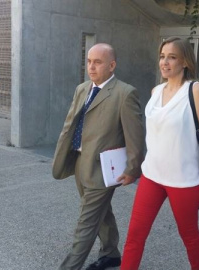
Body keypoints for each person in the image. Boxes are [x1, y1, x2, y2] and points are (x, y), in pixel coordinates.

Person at [121, 37, 199, 270]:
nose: (165, 62)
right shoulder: (156, 90)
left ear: (184, 62)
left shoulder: (196, 90)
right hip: (152, 176)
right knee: (135, 235)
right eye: (162, 56)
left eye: (172, 57)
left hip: (184, 180)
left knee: (189, 237)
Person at [52, 43, 144, 270]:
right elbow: (71, 124)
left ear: (112, 65)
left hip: (104, 168)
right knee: (102, 212)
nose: (91, 67)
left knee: (86, 222)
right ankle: (111, 253)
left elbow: (135, 136)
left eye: (98, 62)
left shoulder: (125, 93)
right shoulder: (82, 88)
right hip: (80, 161)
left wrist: (133, 169)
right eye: (89, 61)